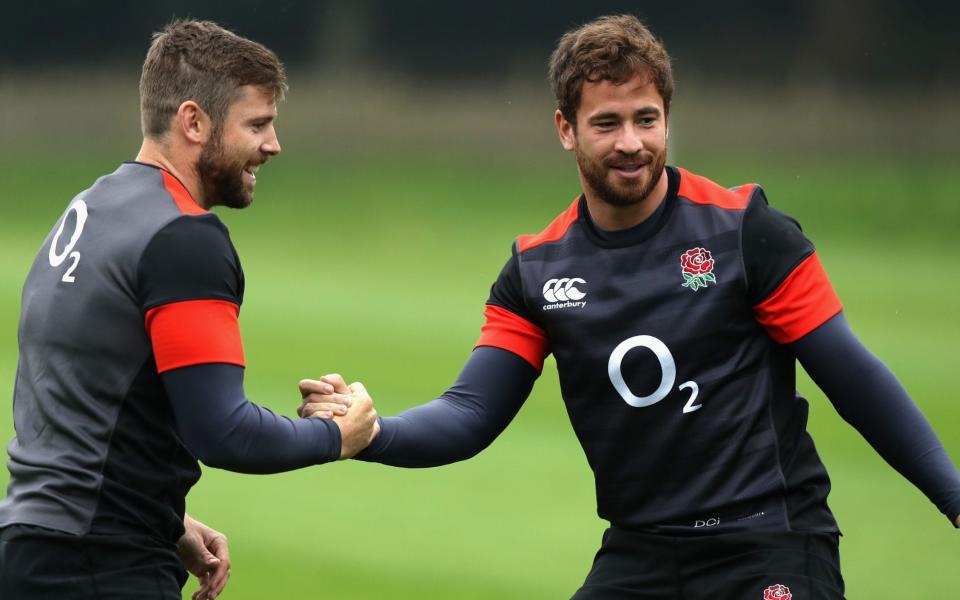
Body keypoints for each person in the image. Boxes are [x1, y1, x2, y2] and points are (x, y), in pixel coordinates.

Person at [300, 14, 960, 599]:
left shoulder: (744, 231)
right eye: (607, 123)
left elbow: (852, 375)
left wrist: (953, 497)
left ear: (668, 116)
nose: (631, 143)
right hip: (642, 552)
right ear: (566, 129)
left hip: (768, 543)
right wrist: (371, 431)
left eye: (647, 119)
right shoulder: (536, 271)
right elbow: (471, 413)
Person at [0, 19, 374, 600]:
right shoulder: (184, 237)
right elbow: (223, 431)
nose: (273, 145)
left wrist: (165, 519)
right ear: (194, 121)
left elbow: (80, 408)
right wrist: (337, 437)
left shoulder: (90, 209)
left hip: (32, 548)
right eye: (257, 125)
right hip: (100, 566)